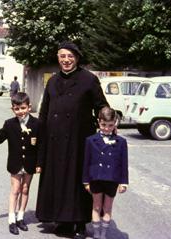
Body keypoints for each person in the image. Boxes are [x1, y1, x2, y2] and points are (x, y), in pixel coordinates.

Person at [35, 41, 109, 239]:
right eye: (62, 57)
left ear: (77, 58)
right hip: (54, 140)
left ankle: (79, 221)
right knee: (58, 179)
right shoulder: (52, 81)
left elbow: (101, 105)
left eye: (70, 56)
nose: (66, 60)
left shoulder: (89, 79)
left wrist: (108, 124)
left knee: (77, 181)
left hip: (79, 140)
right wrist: (38, 132)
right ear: (58, 59)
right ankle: (60, 219)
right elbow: (44, 111)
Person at [0, 92, 42, 235]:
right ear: (12, 109)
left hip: (30, 163)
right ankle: (12, 219)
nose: (20, 111)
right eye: (17, 109)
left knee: (25, 189)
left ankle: (21, 217)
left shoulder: (37, 123)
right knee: (15, 190)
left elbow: (41, 145)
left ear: (29, 107)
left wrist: (39, 163)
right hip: (15, 163)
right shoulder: (9, 124)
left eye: (23, 108)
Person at [82, 106, 128, 239]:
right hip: (96, 178)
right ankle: (96, 234)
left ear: (115, 124)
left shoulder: (121, 142)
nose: (106, 128)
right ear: (98, 122)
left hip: (112, 179)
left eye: (110, 125)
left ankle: (103, 234)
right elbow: (87, 162)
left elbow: (123, 163)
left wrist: (123, 182)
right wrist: (86, 181)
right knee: (96, 207)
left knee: (107, 208)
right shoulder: (90, 140)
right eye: (103, 125)